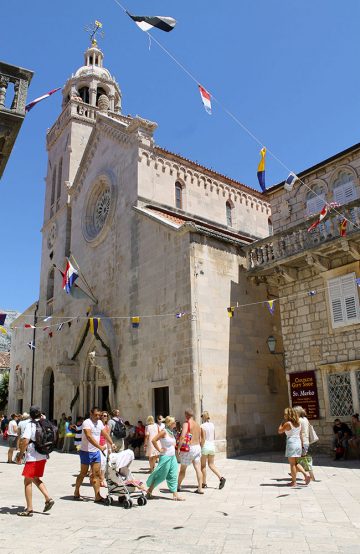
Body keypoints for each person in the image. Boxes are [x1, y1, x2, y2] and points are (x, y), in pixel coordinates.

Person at [15, 405, 54, 517]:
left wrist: (20, 455)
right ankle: (48, 498)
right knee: (36, 478)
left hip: (32, 456)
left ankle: (29, 509)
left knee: (27, 482)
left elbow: (25, 441)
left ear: (31, 415)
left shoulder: (30, 425)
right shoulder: (45, 423)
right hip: (43, 455)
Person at [74, 406, 116, 503]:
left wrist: (112, 443)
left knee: (96, 474)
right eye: (96, 415)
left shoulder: (100, 423)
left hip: (95, 452)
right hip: (86, 452)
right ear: (91, 414)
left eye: (99, 415)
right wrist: (100, 447)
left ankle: (97, 496)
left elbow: (105, 434)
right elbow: (88, 436)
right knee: (83, 473)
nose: (98, 417)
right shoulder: (86, 423)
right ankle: (76, 491)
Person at [146, 416, 184, 501]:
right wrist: (159, 449)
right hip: (165, 456)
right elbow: (153, 440)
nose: (175, 423)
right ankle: (149, 491)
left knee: (173, 475)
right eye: (174, 422)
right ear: (170, 423)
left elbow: (172, 444)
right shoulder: (164, 432)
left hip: (172, 456)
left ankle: (175, 495)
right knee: (161, 476)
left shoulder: (172, 432)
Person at [278, 407, 310, 487]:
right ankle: (306, 475)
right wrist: (302, 445)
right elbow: (300, 435)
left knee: (292, 464)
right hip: (298, 443)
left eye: (285, 414)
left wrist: (281, 423)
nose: (284, 415)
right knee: (296, 463)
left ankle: (294, 482)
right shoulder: (298, 423)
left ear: (288, 415)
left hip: (291, 443)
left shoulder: (288, 423)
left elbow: (279, 431)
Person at [177, 409, 203, 494]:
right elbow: (200, 438)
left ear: (186, 415)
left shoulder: (186, 423)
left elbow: (182, 436)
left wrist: (178, 448)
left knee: (183, 469)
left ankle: (178, 486)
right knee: (198, 469)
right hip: (197, 447)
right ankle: (200, 488)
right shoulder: (197, 424)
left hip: (189, 448)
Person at [200, 411, 226, 489]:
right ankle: (221, 478)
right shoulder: (212, 425)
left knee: (203, 466)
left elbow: (203, 438)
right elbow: (213, 436)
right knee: (211, 464)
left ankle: (204, 483)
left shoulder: (202, 426)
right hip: (212, 446)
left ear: (203, 417)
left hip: (205, 446)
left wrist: (201, 446)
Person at [294, 406, 315, 481]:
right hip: (306, 441)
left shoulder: (299, 420)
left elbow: (299, 433)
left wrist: (301, 444)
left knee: (300, 460)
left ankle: (310, 476)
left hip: (301, 442)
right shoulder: (305, 419)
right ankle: (295, 472)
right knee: (302, 459)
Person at [99, 411, 111, 487]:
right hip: (97, 445)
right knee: (98, 463)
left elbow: (108, 437)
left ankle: (102, 479)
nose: (104, 417)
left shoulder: (107, 427)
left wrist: (109, 448)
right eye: (103, 415)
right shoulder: (98, 425)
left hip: (105, 445)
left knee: (104, 463)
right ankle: (98, 479)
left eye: (106, 416)